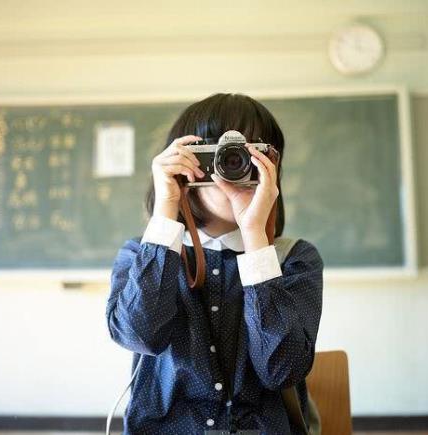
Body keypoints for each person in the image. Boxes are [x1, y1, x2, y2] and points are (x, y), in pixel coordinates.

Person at [106, 93, 324, 435]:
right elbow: (139, 336)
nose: (230, 168)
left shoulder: (294, 257)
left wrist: (255, 235)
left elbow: (282, 369)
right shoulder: (142, 253)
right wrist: (167, 208)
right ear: (188, 162)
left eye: (246, 154)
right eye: (217, 155)